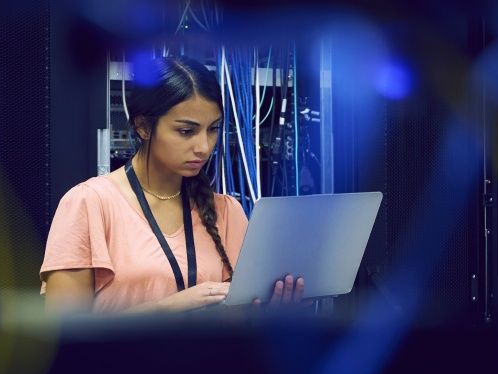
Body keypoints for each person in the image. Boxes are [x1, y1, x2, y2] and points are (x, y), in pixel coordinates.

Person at [40, 56, 306, 315]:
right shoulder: (90, 204)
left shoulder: (226, 212)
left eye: (213, 129)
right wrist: (168, 309)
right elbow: (63, 336)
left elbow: (240, 321)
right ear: (144, 127)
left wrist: (272, 311)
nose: (203, 147)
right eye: (186, 131)